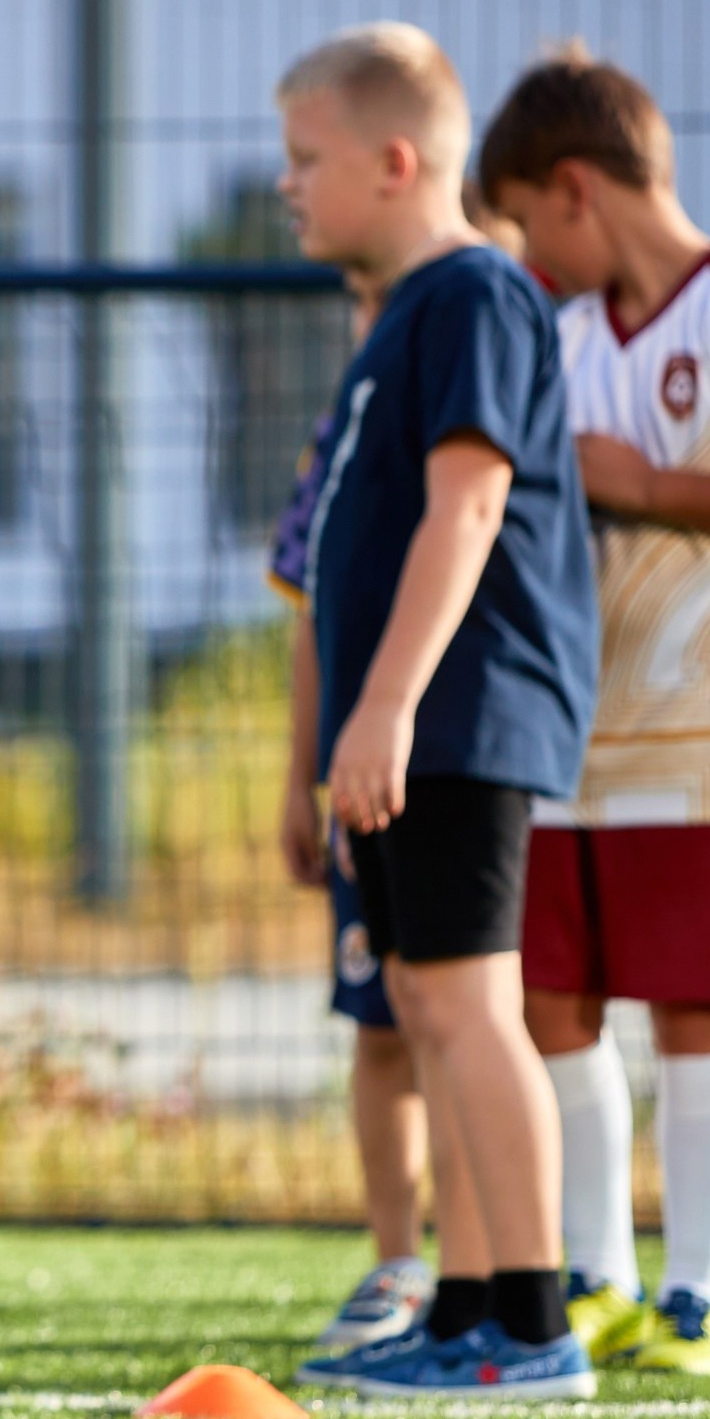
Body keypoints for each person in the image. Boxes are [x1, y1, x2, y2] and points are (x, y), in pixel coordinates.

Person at [482, 49, 710, 1377]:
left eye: (524, 219)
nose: (528, 252)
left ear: (576, 189)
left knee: (699, 1006)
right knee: (554, 1000)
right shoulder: (563, 335)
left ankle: (696, 1293)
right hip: (570, 730)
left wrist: (643, 483)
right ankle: (600, 1275)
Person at [273, 22, 600, 1399]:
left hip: (461, 713)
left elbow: (470, 507)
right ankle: (466, 1300)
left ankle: (532, 1324)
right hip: (416, 721)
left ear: (397, 160)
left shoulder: (474, 294)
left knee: (467, 1003)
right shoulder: (403, 309)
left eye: (307, 159)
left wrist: (387, 704)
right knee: (421, 993)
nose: (287, 184)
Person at [276, 292, 434, 1353]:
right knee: (380, 1026)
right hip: (358, 789)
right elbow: (308, 609)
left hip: (460, 772)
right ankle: (399, 1262)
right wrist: (299, 775)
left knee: (467, 1025)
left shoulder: (471, 425)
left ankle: (489, 1263)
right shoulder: (333, 444)